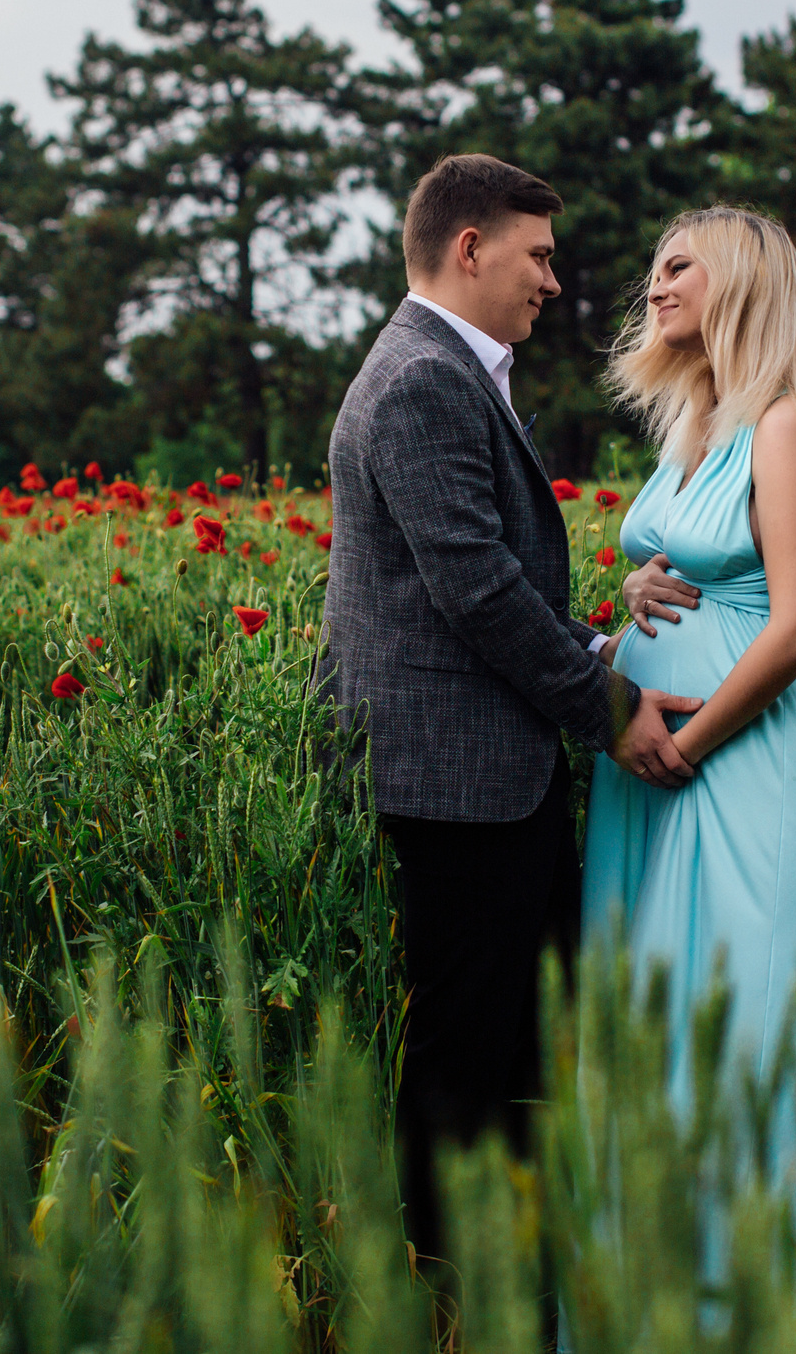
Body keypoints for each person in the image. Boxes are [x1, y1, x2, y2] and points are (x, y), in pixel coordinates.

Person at [320, 153, 707, 1277]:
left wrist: (596, 641)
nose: (553, 279)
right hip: (454, 776)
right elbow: (474, 585)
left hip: (488, 766)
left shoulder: (448, 367)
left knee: (524, 1028)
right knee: (467, 1044)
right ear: (470, 247)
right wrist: (610, 704)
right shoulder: (424, 379)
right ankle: (449, 1285)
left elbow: (491, 587)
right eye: (537, 254)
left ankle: (519, 1256)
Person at [586, 206, 796, 1182]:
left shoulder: (783, 421)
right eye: (655, 265)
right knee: (662, 1015)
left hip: (745, 757)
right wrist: (635, 587)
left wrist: (683, 746)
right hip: (652, 768)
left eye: (680, 265)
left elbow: (795, 622)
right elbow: (690, 566)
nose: (656, 284)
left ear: (740, 282)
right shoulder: (692, 419)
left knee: (749, 1020)